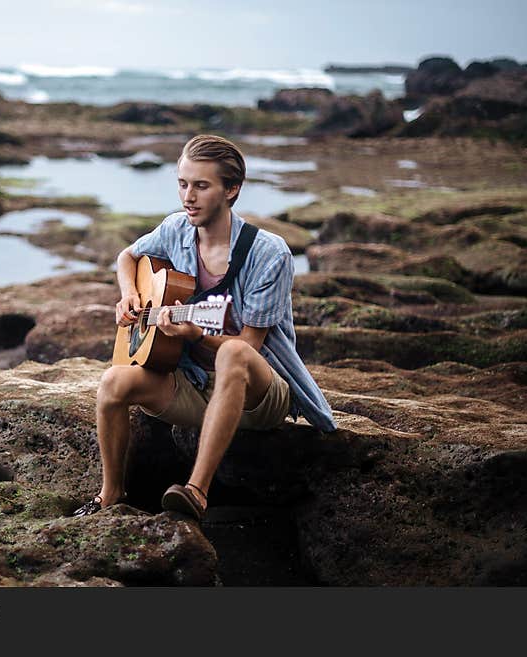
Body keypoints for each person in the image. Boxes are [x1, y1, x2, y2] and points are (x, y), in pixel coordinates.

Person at [73, 134, 336, 521]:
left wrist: (197, 334)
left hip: (258, 395)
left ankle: (196, 490)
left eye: (201, 186)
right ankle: (111, 494)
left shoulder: (269, 253)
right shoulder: (176, 229)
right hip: (192, 385)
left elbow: (251, 346)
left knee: (233, 351)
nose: (188, 197)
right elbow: (127, 256)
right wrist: (129, 294)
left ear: (232, 190)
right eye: (182, 184)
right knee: (114, 382)